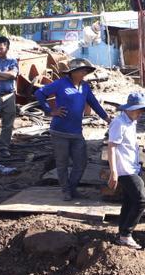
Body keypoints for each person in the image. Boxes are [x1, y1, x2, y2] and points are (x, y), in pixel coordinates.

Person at [35, 58, 111, 201]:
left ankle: (71, 187)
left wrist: (107, 119)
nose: (85, 73)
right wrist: (50, 111)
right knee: (62, 163)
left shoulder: (85, 87)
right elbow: (40, 93)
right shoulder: (60, 84)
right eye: (82, 70)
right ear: (73, 72)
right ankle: (66, 191)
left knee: (81, 162)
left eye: (86, 71)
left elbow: (94, 103)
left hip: (76, 132)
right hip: (59, 132)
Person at [107, 92, 145, 249]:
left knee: (129, 201)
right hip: (125, 169)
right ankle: (126, 234)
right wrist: (114, 172)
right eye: (138, 111)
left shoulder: (130, 122)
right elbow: (111, 147)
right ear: (130, 109)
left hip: (132, 167)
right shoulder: (119, 123)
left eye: (141, 111)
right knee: (141, 200)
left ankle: (122, 233)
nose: (140, 114)